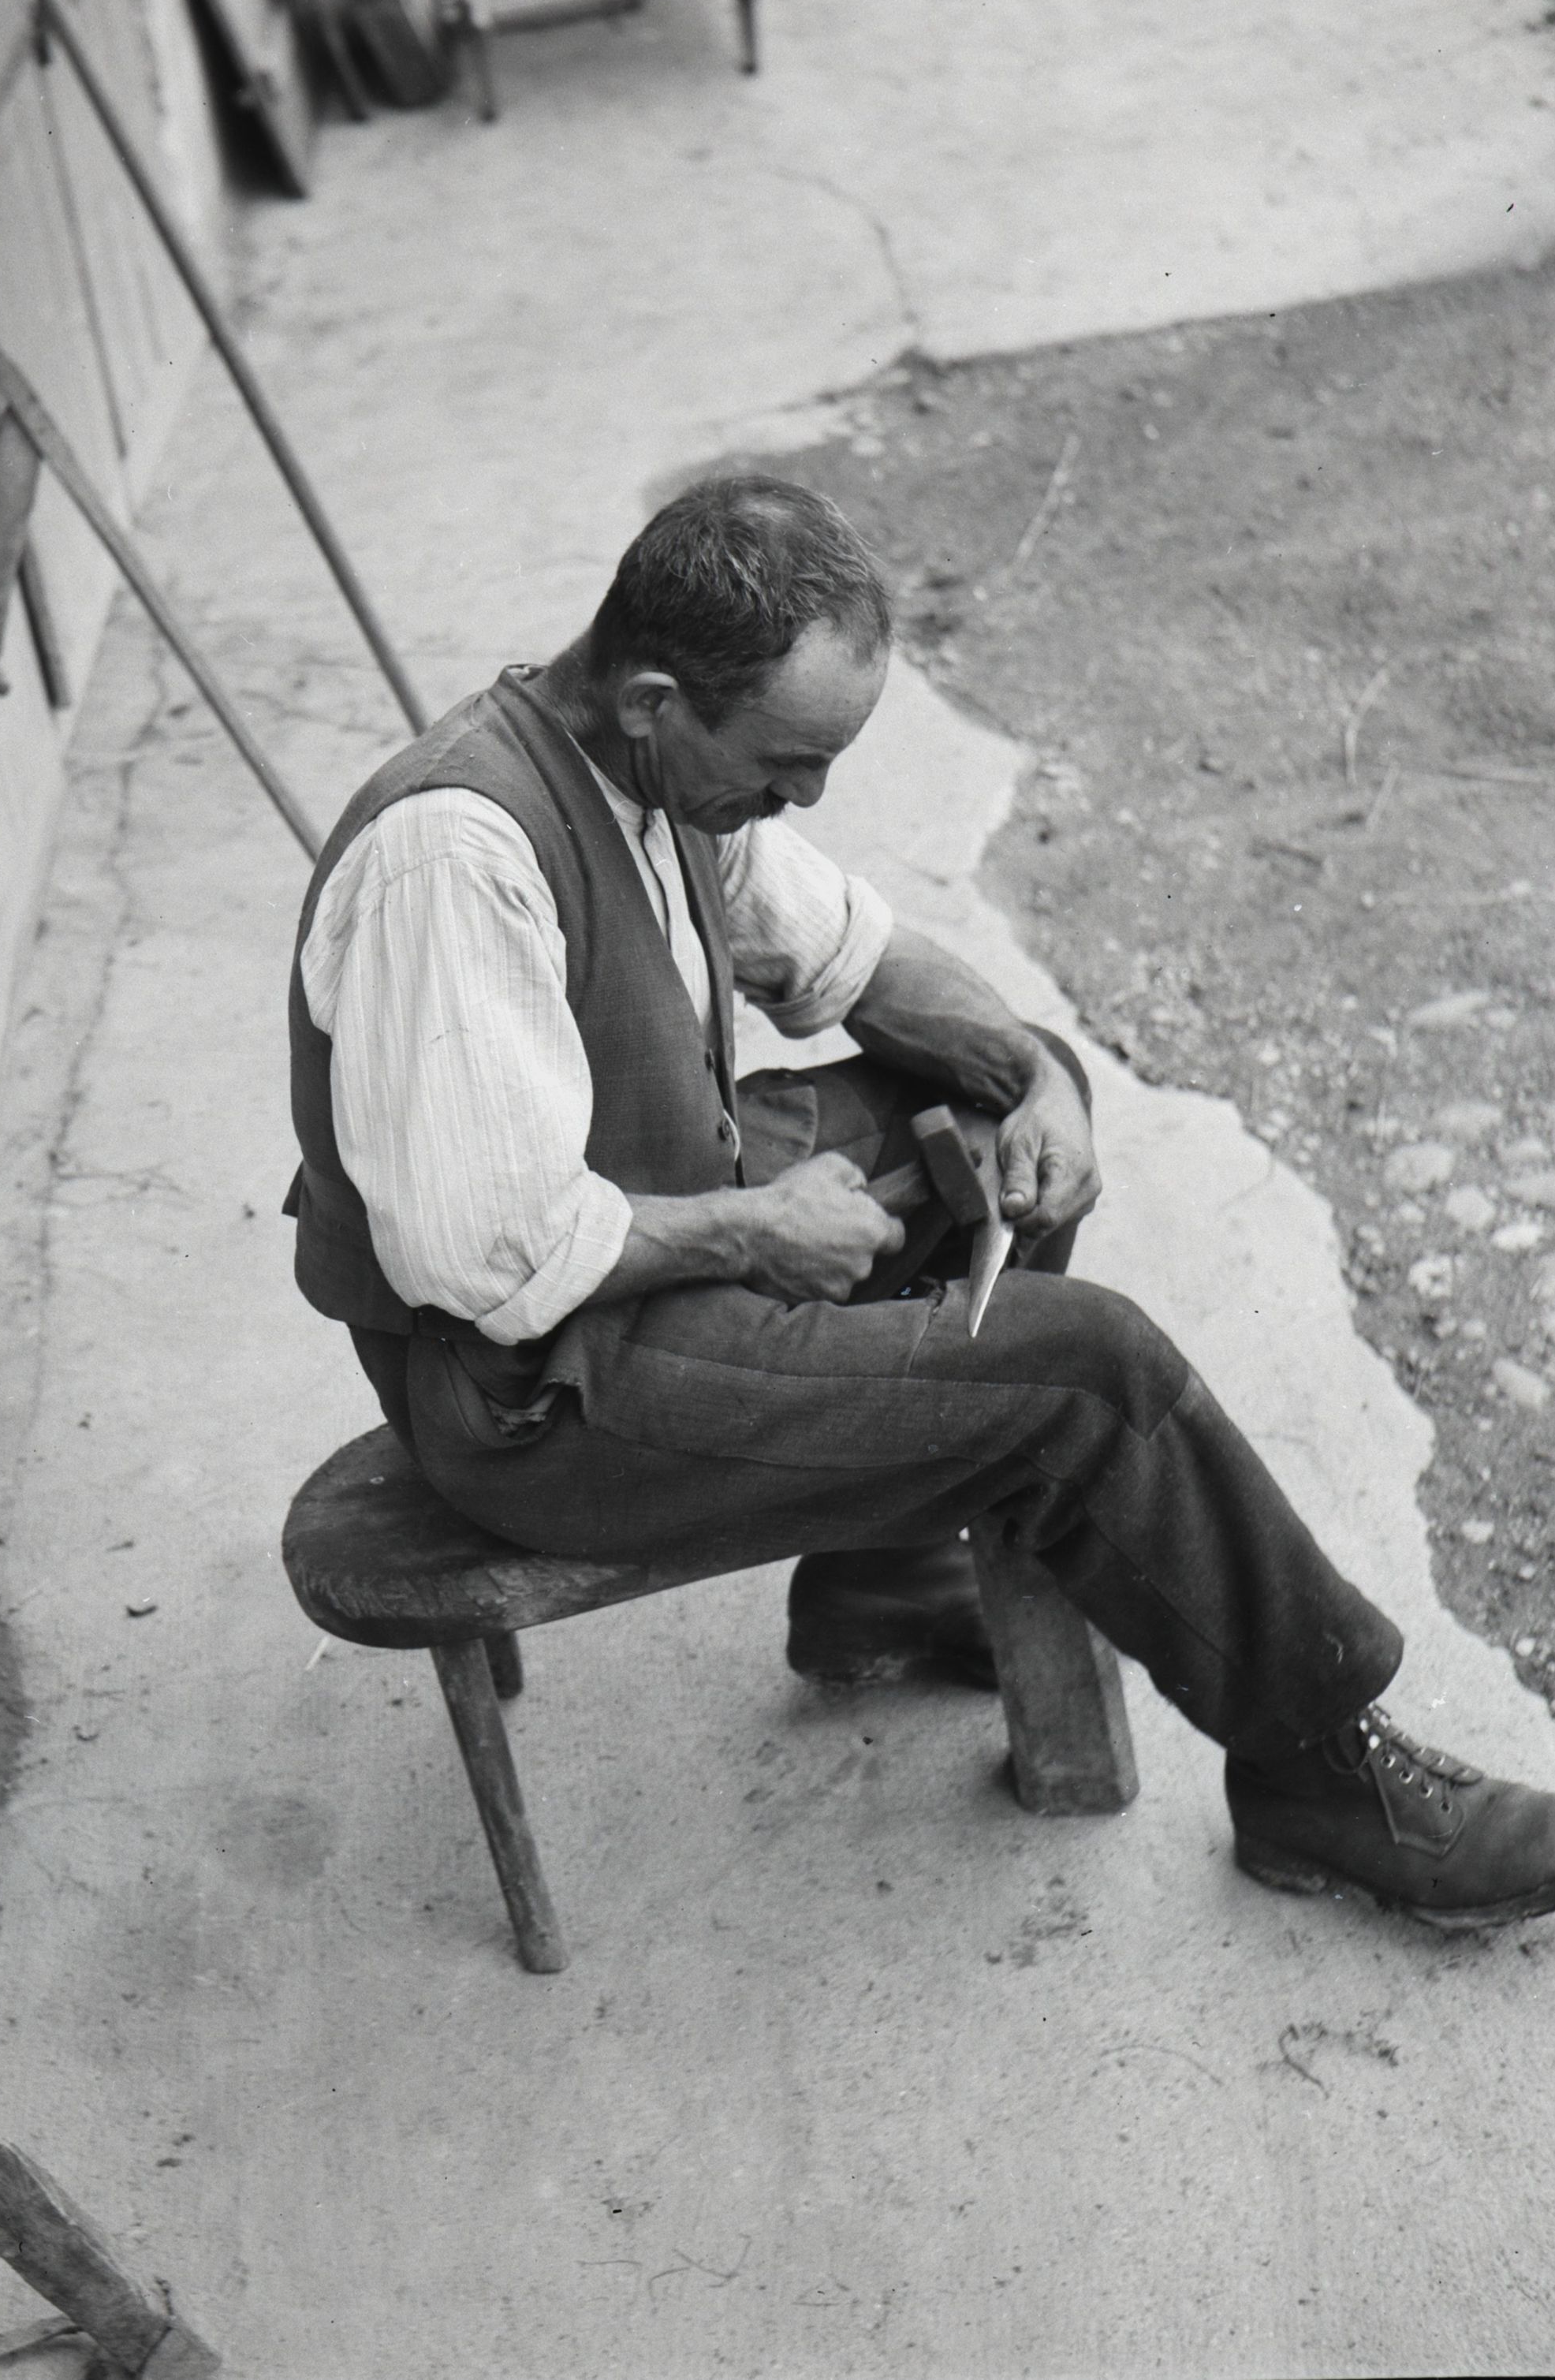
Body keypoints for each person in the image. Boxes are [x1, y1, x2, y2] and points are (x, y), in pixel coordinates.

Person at [286, 473, 1555, 1929]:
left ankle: (878, 1586)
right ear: (652, 699)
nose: (805, 799)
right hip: (532, 1389)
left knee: (985, 1101)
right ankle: (1320, 1774)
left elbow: (859, 955)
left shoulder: (662, 770)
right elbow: (479, 1253)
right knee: (1085, 1370)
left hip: (638, 1231)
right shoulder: (456, 860)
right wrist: (757, 1228)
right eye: (787, 765)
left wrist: (1036, 1075)